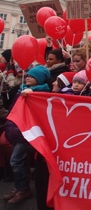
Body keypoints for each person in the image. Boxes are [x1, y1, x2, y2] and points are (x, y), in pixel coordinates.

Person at [3, 65, 51, 205]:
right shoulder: (21, 91)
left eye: (32, 76)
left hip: (26, 132)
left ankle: (23, 189)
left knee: (16, 161)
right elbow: (13, 109)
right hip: (15, 130)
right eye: (28, 75)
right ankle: (20, 187)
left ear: (40, 79)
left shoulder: (39, 94)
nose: (28, 77)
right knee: (20, 161)